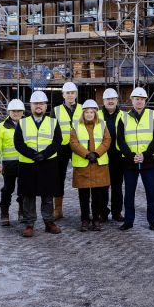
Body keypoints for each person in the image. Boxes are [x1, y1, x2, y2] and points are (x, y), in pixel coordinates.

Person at [14, 91, 63, 237]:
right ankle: (29, 224)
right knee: (28, 195)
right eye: (36, 103)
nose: (39, 106)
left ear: (46, 105)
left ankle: (49, 222)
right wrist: (33, 154)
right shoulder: (22, 122)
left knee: (47, 195)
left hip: (48, 163)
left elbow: (57, 141)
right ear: (31, 105)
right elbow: (18, 143)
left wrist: (44, 154)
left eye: (41, 103)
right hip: (28, 164)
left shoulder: (53, 122)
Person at [116, 87, 154, 231]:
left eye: (142, 99)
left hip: (148, 161)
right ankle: (129, 221)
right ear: (132, 100)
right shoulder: (123, 117)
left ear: (145, 100)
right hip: (130, 162)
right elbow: (120, 140)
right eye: (137, 99)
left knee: (151, 192)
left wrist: (145, 154)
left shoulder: (153, 115)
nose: (139, 101)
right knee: (129, 193)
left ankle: (153, 220)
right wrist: (132, 156)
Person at [70, 99, 111, 232]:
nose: (89, 114)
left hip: (98, 165)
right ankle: (85, 220)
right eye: (86, 112)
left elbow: (107, 140)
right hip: (83, 165)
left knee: (98, 195)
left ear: (95, 113)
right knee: (84, 196)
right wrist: (87, 154)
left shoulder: (102, 125)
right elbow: (73, 143)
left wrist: (97, 154)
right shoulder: (76, 125)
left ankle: (96, 220)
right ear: (83, 113)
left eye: (91, 112)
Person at [52, 81, 82, 220]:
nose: (70, 95)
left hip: (79, 146)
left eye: (72, 93)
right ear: (63, 94)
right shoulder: (56, 110)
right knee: (58, 177)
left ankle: (85, 208)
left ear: (76, 94)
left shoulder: (83, 109)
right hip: (61, 147)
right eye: (67, 93)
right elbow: (52, 130)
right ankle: (58, 209)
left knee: (83, 175)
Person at [0, 99, 25, 226]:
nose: (16, 113)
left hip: (25, 162)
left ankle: (22, 212)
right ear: (9, 112)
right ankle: (4, 213)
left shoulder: (28, 125)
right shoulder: (1, 128)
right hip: (9, 164)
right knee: (8, 188)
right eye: (14, 111)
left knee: (24, 189)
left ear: (23, 112)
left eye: (19, 111)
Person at [99, 87, 124, 222]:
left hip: (118, 156)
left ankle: (116, 212)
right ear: (103, 101)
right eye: (108, 99)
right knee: (102, 186)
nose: (110, 101)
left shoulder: (124, 115)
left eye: (112, 99)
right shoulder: (97, 115)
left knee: (117, 186)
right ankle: (103, 212)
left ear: (117, 100)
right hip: (101, 155)